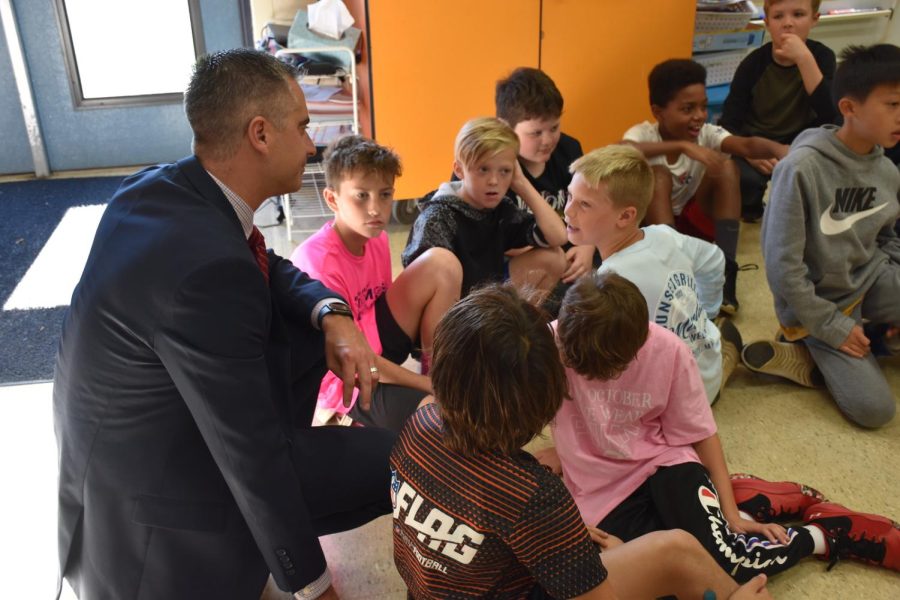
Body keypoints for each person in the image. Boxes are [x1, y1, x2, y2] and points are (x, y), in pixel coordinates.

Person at [54, 49, 395, 600]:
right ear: (260, 134)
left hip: (113, 473)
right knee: (400, 460)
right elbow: (250, 456)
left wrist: (333, 314)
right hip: (156, 526)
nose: (313, 144)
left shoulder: (157, 188)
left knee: (300, 330)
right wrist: (312, 585)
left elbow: (272, 268)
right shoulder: (207, 273)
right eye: (304, 126)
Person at [391, 283, 773, 600]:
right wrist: (612, 556)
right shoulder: (534, 494)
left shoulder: (420, 421)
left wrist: (559, 534)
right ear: (545, 402)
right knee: (675, 551)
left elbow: (478, 518)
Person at [534, 272, 900, 583]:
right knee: (664, 579)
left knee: (727, 568)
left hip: (664, 467)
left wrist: (726, 511)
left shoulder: (668, 352)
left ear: (635, 350)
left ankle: (823, 534)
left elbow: (701, 434)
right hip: (600, 495)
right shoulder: (547, 346)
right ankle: (751, 500)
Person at [742, 44, 900, 429]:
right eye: (893, 104)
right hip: (820, 302)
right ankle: (809, 346)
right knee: (875, 410)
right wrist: (833, 327)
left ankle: (877, 332)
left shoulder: (887, 170)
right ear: (849, 108)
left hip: (869, 280)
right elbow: (782, 269)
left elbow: (889, 238)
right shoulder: (801, 169)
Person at [292, 135, 457, 430]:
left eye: (385, 194)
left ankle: (440, 374)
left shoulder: (377, 238)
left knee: (442, 263)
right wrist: (425, 386)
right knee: (439, 416)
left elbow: (380, 303)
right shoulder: (318, 262)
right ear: (332, 199)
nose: (375, 209)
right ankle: (350, 423)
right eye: (361, 195)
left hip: (374, 345)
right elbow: (352, 358)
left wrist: (433, 380)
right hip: (345, 378)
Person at [563, 143, 737, 404]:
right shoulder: (664, 234)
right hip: (706, 373)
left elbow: (602, 364)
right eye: (569, 196)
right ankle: (724, 346)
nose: (568, 210)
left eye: (584, 204)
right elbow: (716, 259)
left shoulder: (611, 281)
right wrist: (708, 312)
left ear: (625, 216)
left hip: (677, 402)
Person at [623, 59, 789, 313]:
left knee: (726, 166)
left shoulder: (707, 133)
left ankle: (725, 271)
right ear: (658, 112)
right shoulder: (644, 134)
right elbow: (622, 149)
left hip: (692, 222)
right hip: (654, 231)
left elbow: (746, 145)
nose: (699, 116)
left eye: (702, 106)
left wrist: (781, 149)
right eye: (687, 109)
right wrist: (682, 146)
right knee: (657, 175)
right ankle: (673, 272)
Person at [402, 117, 567, 299]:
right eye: (483, 169)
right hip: (453, 306)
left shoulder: (500, 208)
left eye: (504, 171)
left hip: (486, 292)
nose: (494, 181)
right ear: (459, 170)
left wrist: (522, 184)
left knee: (554, 257)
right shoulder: (438, 216)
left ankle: (519, 324)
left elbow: (558, 236)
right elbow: (421, 289)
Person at [720, 0, 837, 222]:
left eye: (798, 14)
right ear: (767, 23)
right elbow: (729, 123)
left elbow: (830, 115)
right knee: (744, 183)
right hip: (755, 141)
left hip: (800, 143)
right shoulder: (753, 64)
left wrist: (803, 58)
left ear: (814, 19)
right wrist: (749, 152)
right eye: (778, 16)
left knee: (819, 183)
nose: (788, 24)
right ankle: (755, 208)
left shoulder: (822, 57)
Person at [495, 66, 596, 284]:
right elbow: (476, 235)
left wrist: (587, 246)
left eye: (554, 128)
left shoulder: (569, 149)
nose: (548, 140)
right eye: (536, 133)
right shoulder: (489, 163)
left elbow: (593, 203)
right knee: (550, 258)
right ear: (505, 128)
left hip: (569, 253)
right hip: (517, 263)